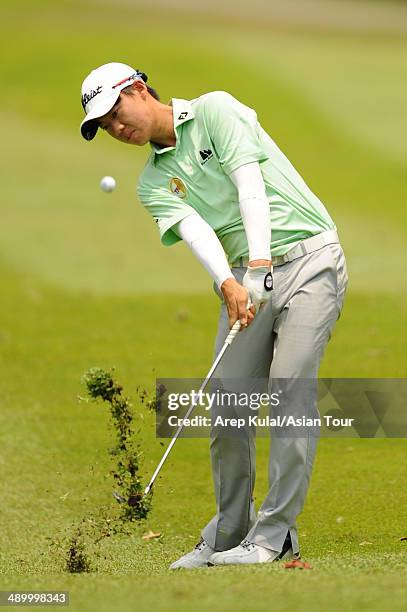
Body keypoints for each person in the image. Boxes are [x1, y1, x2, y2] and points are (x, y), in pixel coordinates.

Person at [79, 62, 348, 568]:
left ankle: (275, 536)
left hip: (310, 261)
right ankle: (227, 535)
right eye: (106, 127)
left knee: (290, 392)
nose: (117, 129)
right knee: (228, 406)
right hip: (245, 278)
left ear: (138, 90)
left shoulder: (215, 110)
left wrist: (262, 263)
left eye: (116, 113)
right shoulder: (152, 183)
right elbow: (199, 234)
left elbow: (250, 186)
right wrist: (229, 281)